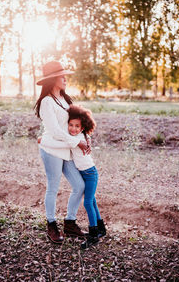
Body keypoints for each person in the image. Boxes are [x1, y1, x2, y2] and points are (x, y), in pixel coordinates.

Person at [34, 61, 90, 244]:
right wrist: (77, 143)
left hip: (66, 150)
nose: (65, 78)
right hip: (52, 150)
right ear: (52, 79)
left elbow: (72, 125)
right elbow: (56, 131)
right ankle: (51, 224)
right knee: (53, 187)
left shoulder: (64, 100)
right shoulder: (46, 102)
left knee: (79, 186)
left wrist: (84, 137)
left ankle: (70, 222)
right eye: (62, 75)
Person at [67, 104, 106, 249]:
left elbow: (67, 140)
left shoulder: (78, 138)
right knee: (92, 201)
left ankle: (93, 235)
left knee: (88, 203)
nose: (73, 129)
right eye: (71, 125)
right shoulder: (79, 136)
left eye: (77, 126)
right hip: (84, 173)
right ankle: (101, 229)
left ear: (82, 128)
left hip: (90, 173)